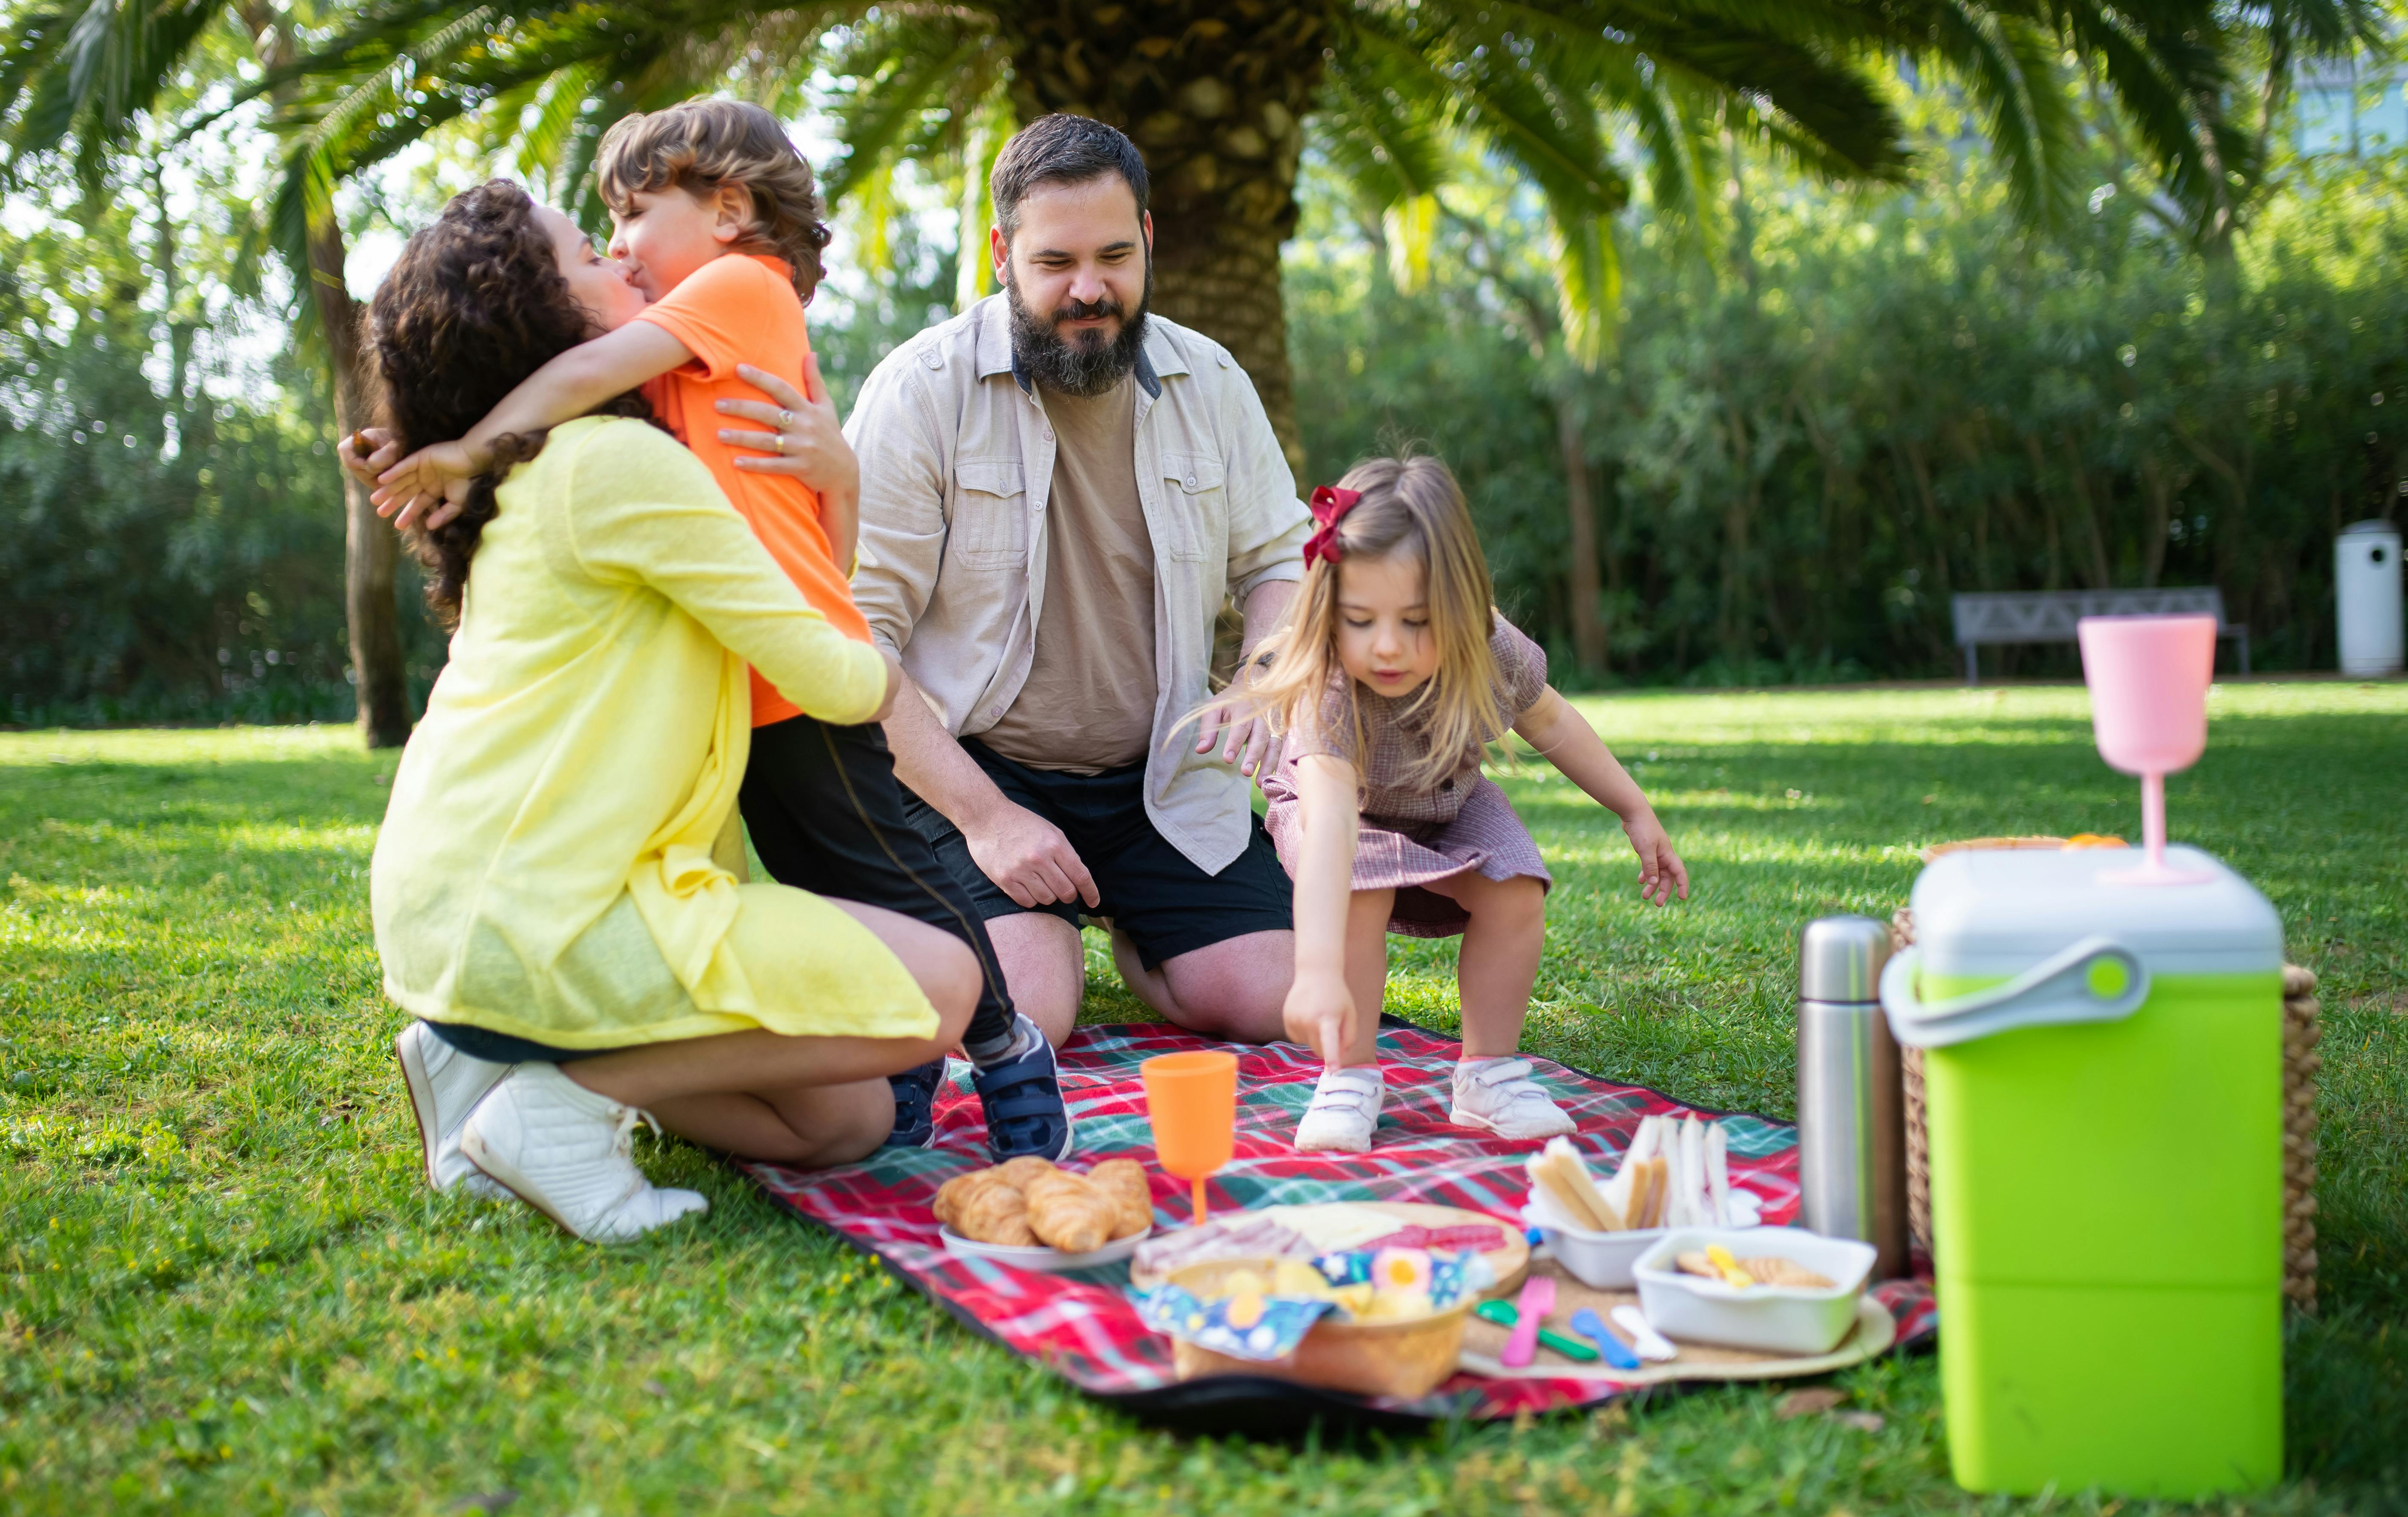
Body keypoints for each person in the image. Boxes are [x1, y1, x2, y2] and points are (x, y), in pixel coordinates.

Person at [357, 100, 1070, 1161]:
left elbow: (587, 376)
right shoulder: (643, 404)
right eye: (598, 239)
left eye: (632, 217)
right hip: (758, 680)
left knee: (895, 877)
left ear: (729, 209)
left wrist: (465, 444)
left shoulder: (738, 287)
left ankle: (1004, 1042)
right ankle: (881, 1064)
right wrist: (448, 430)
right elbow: (544, 366)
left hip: (803, 671)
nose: (623, 250)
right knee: (835, 880)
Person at [723, 114, 1311, 1060]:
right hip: (968, 769)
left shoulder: (1212, 379)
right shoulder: (919, 391)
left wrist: (1262, 676)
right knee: (1027, 1010)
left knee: (1282, 997)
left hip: (1158, 777)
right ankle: (1013, 924)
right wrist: (989, 821)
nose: (1090, 289)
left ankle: (1137, 928)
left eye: (1115, 256)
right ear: (1001, 252)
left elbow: (1280, 559)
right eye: (1056, 262)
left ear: (1148, 241)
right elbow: (855, 641)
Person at [1215, 455, 1692, 1153]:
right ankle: (1348, 1075)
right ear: (1330, 611)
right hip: (1343, 815)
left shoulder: (1488, 647)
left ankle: (1487, 1074)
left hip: (1446, 792)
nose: (1387, 646)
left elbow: (1552, 723)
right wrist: (1314, 972)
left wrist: (1634, 809)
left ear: (1463, 607)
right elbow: (1332, 836)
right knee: (1362, 891)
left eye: (1417, 621)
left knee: (1516, 889)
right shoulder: (1331, 695)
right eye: (1360, 619)